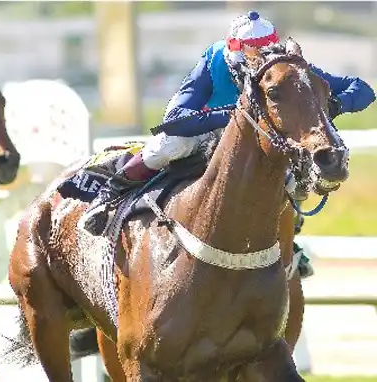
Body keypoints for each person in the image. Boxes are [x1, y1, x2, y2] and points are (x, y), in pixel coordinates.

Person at [83, 11, 375, 276]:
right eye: (253, 54)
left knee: (292, 173)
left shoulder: (283, 67)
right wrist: (232, 117)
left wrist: (334, 104)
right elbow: (176, 118)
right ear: (235, 50)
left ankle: (288, 243)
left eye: (265, 52)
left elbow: (362, 89)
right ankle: (110, 195)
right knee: (168, 146)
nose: (260, 61)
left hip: (258, 141)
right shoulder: (215, 60)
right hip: (208, 128)